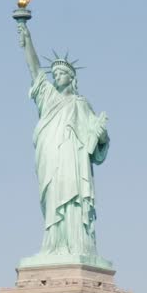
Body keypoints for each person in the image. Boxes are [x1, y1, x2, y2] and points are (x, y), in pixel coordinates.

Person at [15, 17, 110, 263]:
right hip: (51, 158)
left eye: (61, 73)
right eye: (55, 73)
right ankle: (54, 244)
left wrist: (101, 134)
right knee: (54, 198)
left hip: (73, 161)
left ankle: (78, 244)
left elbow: (97, 143)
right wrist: (26, 38)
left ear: (71, 77)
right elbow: (34, 70)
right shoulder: (48, 98)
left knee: (73, 201)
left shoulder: (80, 104)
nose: (57, 77)